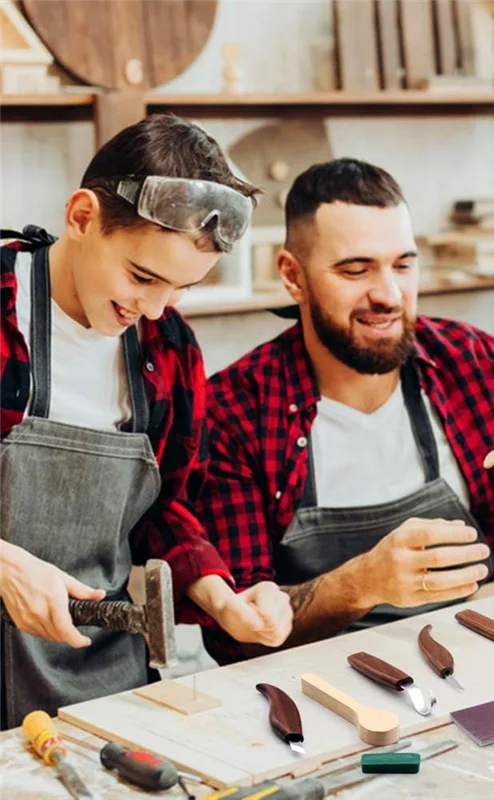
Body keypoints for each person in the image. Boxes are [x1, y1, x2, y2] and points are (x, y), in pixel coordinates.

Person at [197, 158, 494, 665]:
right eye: (355, 270)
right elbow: (236, 636)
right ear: (293, 277)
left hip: (471, 648)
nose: (389, 294)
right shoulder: (235, 411)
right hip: (307, 679)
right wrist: (360, 583)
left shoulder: (468, 362)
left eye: (403, 265)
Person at [0, 115, 293, 729]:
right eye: (142, 276)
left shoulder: (168, 348)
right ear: (82, 217)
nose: (153, 308)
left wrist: (223, 597)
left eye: (180, 288)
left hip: (96, 672)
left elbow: (162, 508)